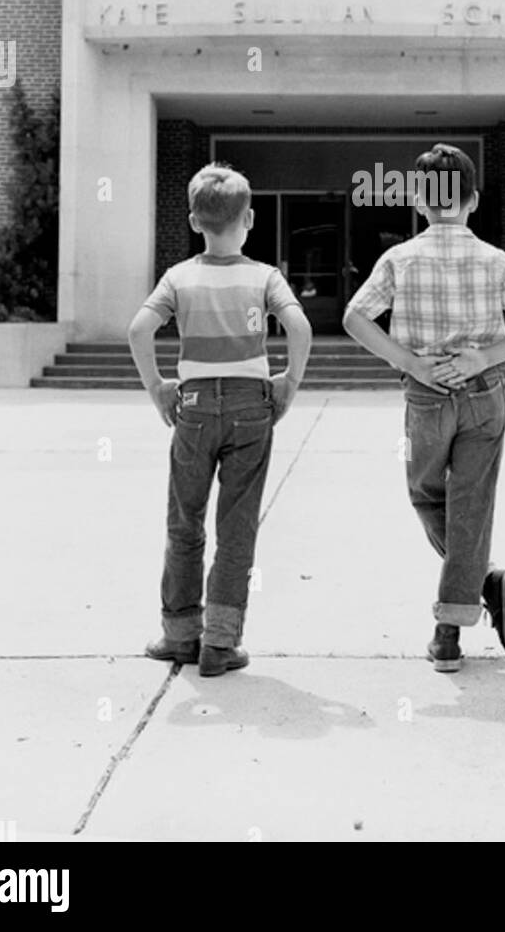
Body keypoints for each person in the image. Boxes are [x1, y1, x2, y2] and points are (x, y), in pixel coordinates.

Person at [342, 143, 505, 672]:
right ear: (473, 200)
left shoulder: (399, 258)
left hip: (425, 394)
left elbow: (354, 318)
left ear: (418, 198)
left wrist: (410, 363)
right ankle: (481, 586)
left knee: (425, 496)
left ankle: (450, 632)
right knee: (472, 504)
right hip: (484, 392)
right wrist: (485, 355)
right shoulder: (495, 259)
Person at [128, 163, 312, 677]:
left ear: (192, 221)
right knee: (237, 529)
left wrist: (158, 388)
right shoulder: (264, 277)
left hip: (194, 408)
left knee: (184, 522)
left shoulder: (179, 277)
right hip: (253, 406)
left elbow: (139, 330)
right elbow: (298, 326)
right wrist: (288, 383)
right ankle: (220, 644)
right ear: (249, 218)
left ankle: (180, 634)